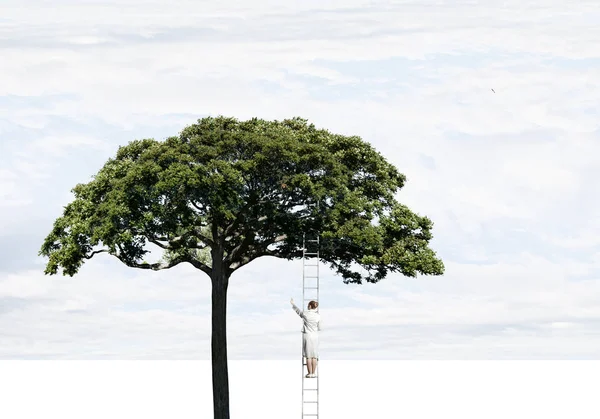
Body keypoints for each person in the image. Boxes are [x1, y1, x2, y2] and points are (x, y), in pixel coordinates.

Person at [290, 298, 321, 378]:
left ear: (310, 306)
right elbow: (320, 327)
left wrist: (293, 304)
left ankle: (309, 373)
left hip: (307, 336)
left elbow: (298, 312)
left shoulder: (305, 314)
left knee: (308, 355)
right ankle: (313, 373)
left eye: (308, 305)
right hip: (315, 336)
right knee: (314, 356)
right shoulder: (318, 316)